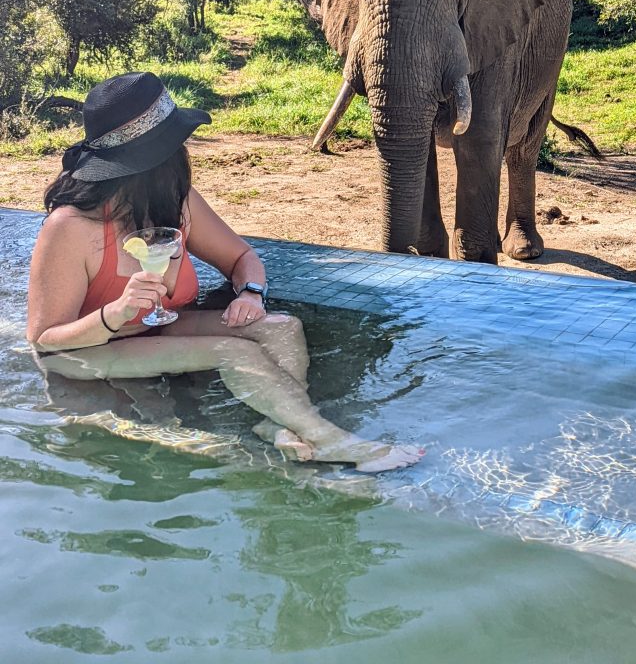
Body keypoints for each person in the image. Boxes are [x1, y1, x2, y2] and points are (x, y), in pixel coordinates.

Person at [27, 71, 422, 473]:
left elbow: (241, 258)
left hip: (158, 330)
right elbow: (44, 341)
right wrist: (113, 314)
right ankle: (329, 439)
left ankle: (283, 425)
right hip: (84, 353)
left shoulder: (176, 204)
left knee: (281, 327)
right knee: (233, 351)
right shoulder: (71, 228)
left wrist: (250, 293)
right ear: (157, 161)